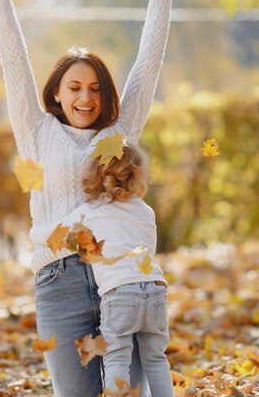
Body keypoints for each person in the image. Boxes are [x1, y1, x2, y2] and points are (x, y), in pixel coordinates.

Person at [0, 0, 174, 396]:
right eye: (75, 87)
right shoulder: (36, 131)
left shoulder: (119, 133)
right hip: (59, 284)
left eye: (95, 88)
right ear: (56, 92)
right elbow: (13, 62)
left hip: (121, 282)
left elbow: (149, 66)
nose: (86, 98)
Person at [33, 143, 174, 397]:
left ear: (95, 177)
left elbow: (55, 233)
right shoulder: (145, 211)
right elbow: (148, 249)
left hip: (120, 295)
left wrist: (34, 231)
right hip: (155, 290)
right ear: (139, 177)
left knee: (116, 360)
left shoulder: (91, 211)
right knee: (156, 359)